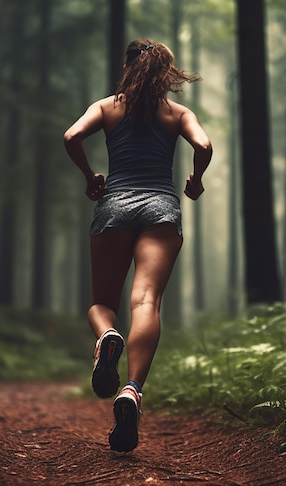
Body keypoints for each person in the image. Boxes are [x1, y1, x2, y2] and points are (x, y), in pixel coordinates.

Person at [63, 39, 212, 453]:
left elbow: (71, 135)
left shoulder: (108, 107)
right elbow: (204, 145)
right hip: (161, 209)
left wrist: (90, 176)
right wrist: (196, 181)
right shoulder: (177, 113)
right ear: (165, 74)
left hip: (114, 207)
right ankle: (131, 390)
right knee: (145, 302)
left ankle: (107, 337)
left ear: (127, 68)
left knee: (100, 304)